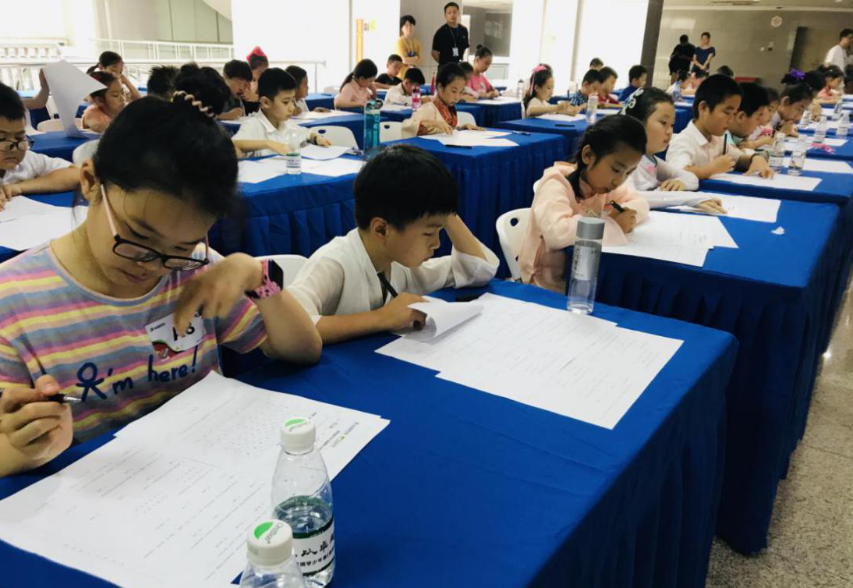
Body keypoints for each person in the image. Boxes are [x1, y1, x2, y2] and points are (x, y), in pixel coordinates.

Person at [0, 73, 322, 478]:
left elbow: (303, 350)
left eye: (181, 248)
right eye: (137, 238)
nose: (153, 266)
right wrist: (20, 448)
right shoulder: (13, 302)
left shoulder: (194, 271)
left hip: (206, 478)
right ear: (91, 182)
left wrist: (256, 276)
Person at [287, 144, 498, 344]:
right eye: (429, 233)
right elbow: (288, 329)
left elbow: (477, 271)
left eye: (440, 230)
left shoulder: (399, 261)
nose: (436, 243)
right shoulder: (333, 262)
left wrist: (443, 209)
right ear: (381, 230)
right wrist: (381, 318)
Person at [517, 115, 649, 294]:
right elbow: (558, 234)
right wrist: (613, 224)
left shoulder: (602, 186)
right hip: (543, 286)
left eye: (628, 173)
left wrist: (627, 215)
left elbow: (640, 202)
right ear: (588, 155)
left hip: (582, 280)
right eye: (616, 170)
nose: (619, 181)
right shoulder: (556, 183)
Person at [667, 74, 774, 180]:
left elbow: (739, 158)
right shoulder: (683, 142)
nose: (731, 120)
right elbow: (677, 173)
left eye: (734, 113)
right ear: (704, 108)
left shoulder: (717, 139)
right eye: (727, 112)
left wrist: (755, 159)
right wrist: (711, 169)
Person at [0, 83, 80, 208]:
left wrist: (18, 187)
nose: (14, 147)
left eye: (20, 137)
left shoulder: (27, 161)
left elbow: (76, 174)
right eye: (2, 138)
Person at [232, 68, 331, 158]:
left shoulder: (286, 124)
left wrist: (315, 137)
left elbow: (306, 133)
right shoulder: (253, 125)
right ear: (266, 102)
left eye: (293, 101)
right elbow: (231, 145)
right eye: (285, 102)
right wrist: (267, 143)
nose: (292, 108)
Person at [402, 63, 482, 137]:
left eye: (461, 92)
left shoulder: (449, 109)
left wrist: (462, 128)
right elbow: (408, 127)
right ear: (440, 87)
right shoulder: (427, 108)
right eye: (454, 91)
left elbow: (448, 130)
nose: (457, 97)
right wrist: (432, 123)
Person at [725, 82, 770, 156]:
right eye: (757, 118)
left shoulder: (735, 133)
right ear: (741, 117)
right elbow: (738, 156)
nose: (759, 124)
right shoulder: (722, 135)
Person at [431, 2, 470, 66]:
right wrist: (443, 64)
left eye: (454, 12)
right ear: (445, 15)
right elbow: (434, 53)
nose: (452, 15)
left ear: (458, 13)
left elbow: (464, 47)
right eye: (449, 13)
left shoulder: (463, 30)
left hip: (458, 66)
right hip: (445, 67)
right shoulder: (441, 32)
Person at [740, 86, 778, 150]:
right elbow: (743, 146)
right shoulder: (747, 125)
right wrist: (761, 142)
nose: (771, 115)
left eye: (774, 112)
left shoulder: (761, 126)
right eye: (769, 110)